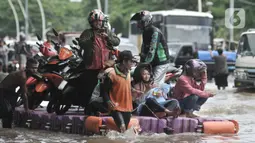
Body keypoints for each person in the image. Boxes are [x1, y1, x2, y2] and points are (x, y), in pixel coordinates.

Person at [78, 9, 120, 109]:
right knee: (89, 89)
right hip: (92, 67)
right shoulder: (87, 32)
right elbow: (82, 42)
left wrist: (107, 37)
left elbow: (117, 41)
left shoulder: (107, 32)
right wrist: (92, 39)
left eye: (99, 21)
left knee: (106, 89)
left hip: (106, 67)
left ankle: (104, 107)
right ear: (91, 22)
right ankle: (88, 108)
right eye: (95, 21)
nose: (98, 23)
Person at [130, 10, 171, 86]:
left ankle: (160, 97)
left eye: (139, 22)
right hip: (152, 62)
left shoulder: (155, 32)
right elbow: (144, 46)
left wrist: (144, 63)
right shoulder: (145, 32)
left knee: (152, 85)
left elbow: (152, 50)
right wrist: (141, 59)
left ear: (146, 21)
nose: (138, 25)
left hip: (160, 63)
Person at [0, 58, 38, 128]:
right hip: (3, 91)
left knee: (10, 113)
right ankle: (6, 132)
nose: (35, 70)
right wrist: (26, 109)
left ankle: (7, 133)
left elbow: (21, 89)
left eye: (36, 68)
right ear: (27, 67)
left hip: (11, 92)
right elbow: (24, 94)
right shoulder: (22, 76)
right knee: (7, 112)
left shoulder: (28, 74)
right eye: (32, 68)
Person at [102, 50, 134, 133]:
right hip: (115, 107)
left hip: (127, 108)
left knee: (123, 132)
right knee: (122, 127)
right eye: (131, 61)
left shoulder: (129, 73)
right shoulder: (111, 74)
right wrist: (108, 101)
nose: (132, 64)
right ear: (124, 61)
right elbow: (104, 90)